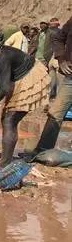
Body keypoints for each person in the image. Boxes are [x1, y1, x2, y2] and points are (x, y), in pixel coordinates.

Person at [0, 28, 50, 168]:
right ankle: (6, 157)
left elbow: (5, 87)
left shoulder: (3, 57)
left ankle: (5, 163)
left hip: (29, 78)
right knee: (6, 119)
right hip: (16, 79)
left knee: (9, 120)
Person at [32, 15, 72, 153]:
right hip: (70, 78)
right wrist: (61, 58)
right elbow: (58, 38)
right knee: (55, 113)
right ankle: (42, 151)